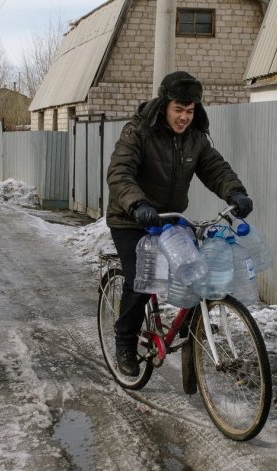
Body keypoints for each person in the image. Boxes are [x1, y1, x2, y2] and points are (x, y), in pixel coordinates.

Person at [105, 70, 253, 377]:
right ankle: (125, 340)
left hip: (170, 220)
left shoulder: (195, 139)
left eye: (190, 110)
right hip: (131, 219)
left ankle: (188, 330)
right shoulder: (139, 132)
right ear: (164, 106)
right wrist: (137, 204)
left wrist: (235, 192)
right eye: (178, 110)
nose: (184, 117)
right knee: (143, 280)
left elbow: (215, 169)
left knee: (196, 271)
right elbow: (120, 174)